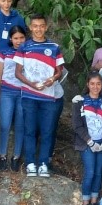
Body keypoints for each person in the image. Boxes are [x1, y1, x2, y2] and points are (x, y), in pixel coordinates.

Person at [15, 15, 63, 177]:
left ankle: (43, 163)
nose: (38, 29)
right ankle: (30, 163)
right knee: (30, 130)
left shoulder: (54, 47)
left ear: (46, 27)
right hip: (29, 95)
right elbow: (17, 72)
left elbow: (59, 71)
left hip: (48, 97)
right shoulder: (24, 47)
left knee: (47, 131)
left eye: (41, 26)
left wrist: (53, 79)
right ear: (30, 27)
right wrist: (31, 85)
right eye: (35, 26)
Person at [72, 72, 102, 205]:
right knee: (90, 172)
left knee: (98, 172)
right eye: (92, 84)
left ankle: (94, 201)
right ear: (88, 85)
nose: (95, 87)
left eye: (98, 84)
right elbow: (77, 126)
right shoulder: (80, 102)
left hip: (101, 143)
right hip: (87, 144)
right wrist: (89, 141)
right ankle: (85, 203)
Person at [0, 25, 27, 171]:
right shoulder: (4, 52)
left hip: (23, 92)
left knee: (21, 125)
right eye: (15, 38)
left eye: (21, 37)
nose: (19, 41)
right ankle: (2, 155)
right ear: (10, 39)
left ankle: (16, 156)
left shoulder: (29, 52)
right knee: (5, 124)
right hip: (6, 91)